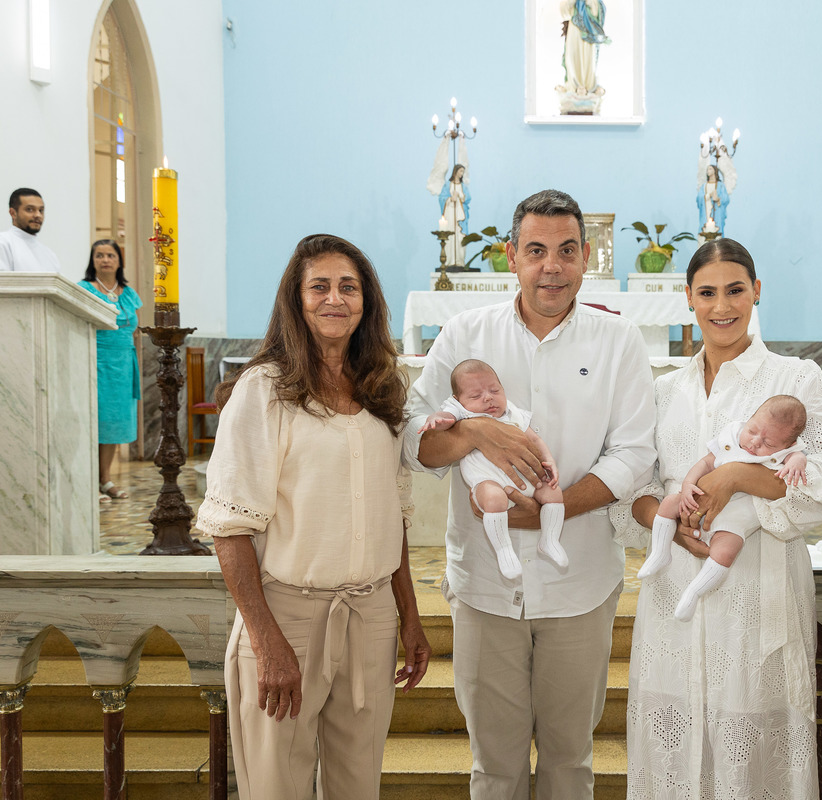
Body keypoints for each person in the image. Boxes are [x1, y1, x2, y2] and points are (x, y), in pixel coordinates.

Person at [404, 189, 656, 798]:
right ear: (511, 255)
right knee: (495, 765)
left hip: (580, 585)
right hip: (487, 585)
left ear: (586, 256)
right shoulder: (466, 333)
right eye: (537, 250)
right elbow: (413, 437)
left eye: (567, 251)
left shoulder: (617, 341)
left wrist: (554, 506)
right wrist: (476, 429)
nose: (552, 266)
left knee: (570, 761)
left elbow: (633, 455)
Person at [195, 233, 431, 799]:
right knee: (277, 788)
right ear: (295, 300)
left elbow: (391, 514)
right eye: (319, 286)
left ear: (366, 302)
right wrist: (266, 640)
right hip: (288, 618)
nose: (335, 298)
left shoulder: (381, 390)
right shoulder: (265, 391)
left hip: (370, 617)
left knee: (358, 788)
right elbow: (230, 529)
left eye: (349, 287)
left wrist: (409, 615)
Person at [615, 238, 822, 798]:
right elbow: (634, 491)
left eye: (735, 290)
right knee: (673, 759)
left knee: (750, 764)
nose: (722, 306)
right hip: (672, 596)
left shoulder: (796, 378)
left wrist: (735, 479)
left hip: (754, 598)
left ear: (757, 292)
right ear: (688, 300)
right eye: (707, 293)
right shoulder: (665, 389)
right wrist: (665, 517)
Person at [638, 394, 810, 621]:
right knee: (670, 502)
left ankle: (694, 592)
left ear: (787, 445)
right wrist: (689, 485)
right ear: (748, 420)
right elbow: (706, 462)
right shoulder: (733, 435)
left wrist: (798, 459)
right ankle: (660, 554)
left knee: (726, 550)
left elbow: (798, 461)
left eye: (768, 444)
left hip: (735, 517)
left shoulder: (789, 452)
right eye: (752, 430)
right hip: (699, 499)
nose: (755, 442)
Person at [418, 358, 567, 579]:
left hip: (527, 479)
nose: (488, 398)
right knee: (495, 500)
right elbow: (447, 419)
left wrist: (549, 462)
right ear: (458, 401)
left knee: (553, 493)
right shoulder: (464, 413)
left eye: (494, 390)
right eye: (476, 396)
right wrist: (437, 419)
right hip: (489, 481)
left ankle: (550, 539)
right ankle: (503, 550)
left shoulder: (513, 414)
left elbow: (534, 439)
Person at [77, 240, 141, 503]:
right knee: (96, 422)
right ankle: (88, 482)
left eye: (111, 255)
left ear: (119, 260)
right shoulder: (84, 289)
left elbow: (134, 326)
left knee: (115, 423)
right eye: (99, 255)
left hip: (124, 364)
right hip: (97, 360)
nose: (105, 259)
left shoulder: (128, 292)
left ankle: (106, 480)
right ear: (93, 260)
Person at [0, 188, 62, 273]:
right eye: (30, 209)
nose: (38, 215)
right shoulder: (3, 243)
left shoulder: (50, 255)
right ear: (13, 213)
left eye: (41, 210)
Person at [438, 163, 470, 266]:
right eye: (460, 171)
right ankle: (449, 260)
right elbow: (441, 198)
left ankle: (459, 261)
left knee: (460, 236)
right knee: (450, 236)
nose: (461, 174)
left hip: (460, 216)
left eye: (463, 172)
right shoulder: (448, 185)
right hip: (450, 214)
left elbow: (468, 198)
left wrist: (461, 196)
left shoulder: (463, 186)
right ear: (455, 171)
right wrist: (450, 199)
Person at [696, 164, 729, 235]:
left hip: (716, 212)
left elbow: (726, 198)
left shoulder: (720, 185)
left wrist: (718, 199)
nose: (708, 171)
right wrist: (708, 196)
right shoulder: (704, 186)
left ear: (714, 171)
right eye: (707, 169)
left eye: (710, 169)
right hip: (706, 211)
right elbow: (699, 198)